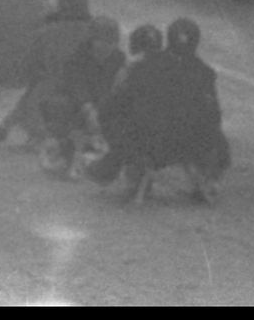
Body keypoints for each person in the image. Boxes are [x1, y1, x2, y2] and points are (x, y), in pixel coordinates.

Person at [88, 17, 230, 204]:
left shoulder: (145, 65)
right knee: (212, 129)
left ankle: (134, 171)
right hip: (188, 146)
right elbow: (213, 116)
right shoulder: (205, 73)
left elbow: (116, 103)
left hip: (148, 145)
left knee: (116, 116)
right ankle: (205, 177)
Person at [0, 0, 94, 147]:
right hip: (87, 83)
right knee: (32, 96)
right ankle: (8, 123)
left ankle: (28, 131)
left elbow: (30, 62)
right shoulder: (92, 30)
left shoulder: (47, 32)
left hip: (54, 81)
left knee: (32, 98)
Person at [38, 15, 126, 179]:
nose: (106, 46)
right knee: (60, 105)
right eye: (101, 41)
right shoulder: (77, 59)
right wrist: (90, 110)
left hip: (103, 105)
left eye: (111, 42)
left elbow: (118, 89)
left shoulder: (118, 58)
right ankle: (61, 145)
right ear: (91, 40)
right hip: (76, 104)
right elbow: (77, 88)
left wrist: (104, 109)